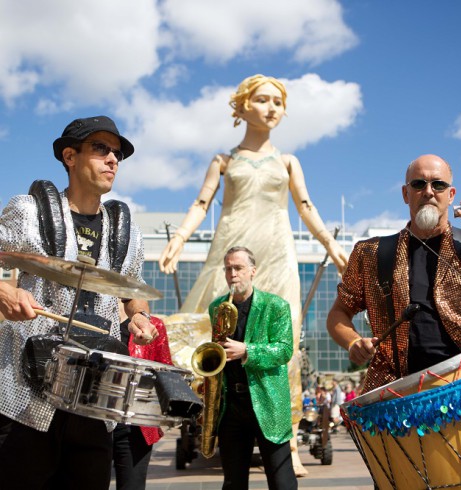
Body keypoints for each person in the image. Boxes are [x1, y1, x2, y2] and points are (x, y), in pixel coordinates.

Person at [159, 74, 348, 476]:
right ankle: (215, 424)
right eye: (262, 100)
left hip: (278, 254)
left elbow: (306, 207)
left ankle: (288, 437)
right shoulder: (224, 161)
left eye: (278, 102)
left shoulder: (288, 161)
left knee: (286, 344)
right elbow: (200, 202)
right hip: (230, 247)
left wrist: (331, 245)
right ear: (242, 107)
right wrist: (178, 237)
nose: (272, 108)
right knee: (215, 331)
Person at [0, 116, 158, 489]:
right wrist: (3, 292)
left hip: (93, 398)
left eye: (117, 153)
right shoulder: (28, 211)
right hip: (28, 396)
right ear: (70, 156)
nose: (112, 159)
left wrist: (139, 316)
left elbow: (132, 290)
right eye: (100, 149)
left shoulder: (126, 231)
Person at [327, 154, 461, 395]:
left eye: (438, 184)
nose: (428, 191)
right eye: (418, 184)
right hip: (396, 394)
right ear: (405, 194)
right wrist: (353, 342)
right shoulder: (370, 253)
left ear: (451, 194)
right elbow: (338, 314)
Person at [212, 246, 297, 490]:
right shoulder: (216, 307)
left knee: (282, 482)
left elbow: (283, 350)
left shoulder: (276, 305)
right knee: (233, 482)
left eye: (238, 268)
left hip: (268, 401)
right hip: (231, 405)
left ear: (252, 271)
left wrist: (247, 350)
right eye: (228, 269)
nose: (232, 274)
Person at [113, 314, 173, 490]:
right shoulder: (95, 319)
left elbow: (165, 368)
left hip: (136, 424)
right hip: (95, 420)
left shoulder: (154, 325)